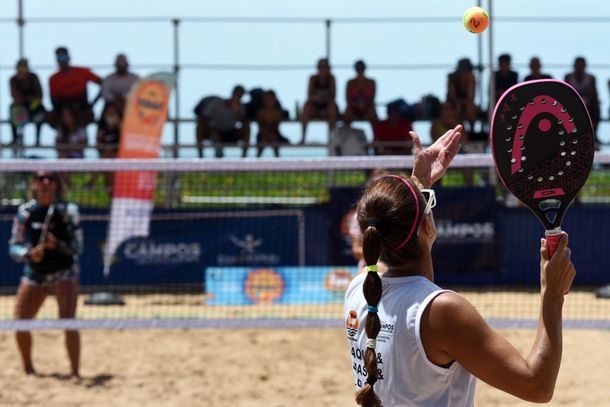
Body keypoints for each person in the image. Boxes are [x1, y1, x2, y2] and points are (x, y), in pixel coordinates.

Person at [345, 125, 576, 406]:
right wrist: (551, 294)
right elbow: (537, 386)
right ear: (426, 227)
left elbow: (397, 234)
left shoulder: (358, 289)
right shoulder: (442, 312)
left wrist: (419, 185)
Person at [9, 171, 83, 377]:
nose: (45, 182)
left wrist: (56, 245)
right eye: (40, 178)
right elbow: (13, 246)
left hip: (64, 272)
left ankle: (75, 373)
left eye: (50, 178)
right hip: (36, 272)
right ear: (33, 183)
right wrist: (29, 253)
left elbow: (77, 248)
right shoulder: (25, 212)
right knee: (21, 320)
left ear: (57, 184)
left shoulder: (68, 210)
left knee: (68, 320)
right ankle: (28, 370)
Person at [49, 46, 102, 128]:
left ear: (69, 57)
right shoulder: (53, 79)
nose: (63, 61)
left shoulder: (82, 72)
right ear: (57, 60)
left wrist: (93, 103)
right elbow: (53, 100)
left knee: (87, 115)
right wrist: (64, 111)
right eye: (60, 58)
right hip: (63, 109)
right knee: (50, 116)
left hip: (81, 107)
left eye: (64, 57)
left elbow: (103, 84)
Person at [431, 102, 473, 185]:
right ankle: (436, 188)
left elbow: (465, 140)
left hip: (458, 151)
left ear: (453, 111)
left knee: (466, 160)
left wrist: (453, 123)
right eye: (443, 109)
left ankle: (470, 186)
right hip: (441, 152)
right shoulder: (435, 125)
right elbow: (437, 141)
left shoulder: (459, 123)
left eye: (447, 109)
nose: (444, 112)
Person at [9, 58, 46, 149]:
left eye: (24, 68)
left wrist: (27, 99)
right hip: (21, 108)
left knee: (40, 110)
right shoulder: (13, 79)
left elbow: (39, 96)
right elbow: (16, 97)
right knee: (13, 108)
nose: (22, 71)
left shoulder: (33, 77)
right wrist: (29, 98)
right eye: (20, 68)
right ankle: (15, 138)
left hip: (34, 106)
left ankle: (37, 140)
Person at [300, 58, 339, 144]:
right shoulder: (313, 78)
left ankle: (331, 138)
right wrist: (317, 98)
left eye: (325, 67)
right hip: (315, 106)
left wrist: (324, 98)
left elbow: (333, 96)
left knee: (332, 107)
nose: (323, 69)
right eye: (321, 66)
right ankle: (303, 138)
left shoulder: (331, 79)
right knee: (307, 106)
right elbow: (309, 95)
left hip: (327, 106)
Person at [204, 85, 250, 158]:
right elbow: (204, 116)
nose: (240, 97)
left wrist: (237, 112)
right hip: (217, 131)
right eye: (239, 94)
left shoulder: (240, 106)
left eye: (241, 95)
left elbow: (244, 122)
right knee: (213, 131)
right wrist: (210, 126)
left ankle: (244, 158)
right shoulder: (217, 103)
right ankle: (219, 158)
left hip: (232, 132)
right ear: (233, 94)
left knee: (247, 128)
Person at [565, 57, 600, 140]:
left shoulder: (591, 78)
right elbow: (566, 95)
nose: (579, 67)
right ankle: (569, 136)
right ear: (574, 66)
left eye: (581, 66)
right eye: (578, 65)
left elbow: (594, 95)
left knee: (595, 107)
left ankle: (594, 135)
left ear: (585, 66)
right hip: (573, 105)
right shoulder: (569, 77)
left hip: (587, 105)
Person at [446, 58, 477, 129]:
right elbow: (452, 97)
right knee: (458, 108)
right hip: (453, 104)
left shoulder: (471, 80)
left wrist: (470, 82)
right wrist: (460, 103)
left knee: (470, 109)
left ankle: (471, 133)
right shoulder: (451, 78)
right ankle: (458, 131)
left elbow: (471, 97)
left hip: (466, 105)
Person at [256, 90, 287, 157]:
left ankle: (278, 160)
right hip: (262, 134)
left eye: (271, 98)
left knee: (274, 139)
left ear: (275, 99)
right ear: (264, 100)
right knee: (263, 140)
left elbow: (276, 127)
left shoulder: (278, 112)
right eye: (267, 98)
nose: (269, 100)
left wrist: (270, 134)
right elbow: (260, 127)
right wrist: (266, 133)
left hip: (275, 134)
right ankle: (256, 161)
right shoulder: (260, 112)